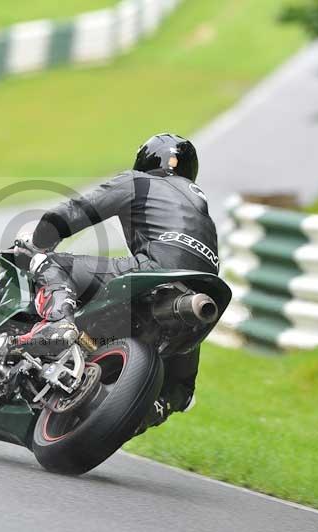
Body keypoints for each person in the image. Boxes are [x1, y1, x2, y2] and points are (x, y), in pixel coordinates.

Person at [15, 133, 218, 431]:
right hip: (202, 297)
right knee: (181, 392)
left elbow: (76, 212)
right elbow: (185, 394)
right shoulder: (203, 213)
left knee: (54, 263)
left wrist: (42, 239)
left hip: (154, 272)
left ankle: (60, 322)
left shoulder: (140, 181)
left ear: (145, 161)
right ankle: (147, 412)